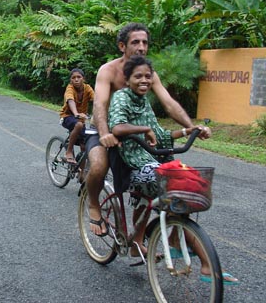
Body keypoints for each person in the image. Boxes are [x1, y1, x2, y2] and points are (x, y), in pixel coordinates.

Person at [108, 55, 238, 284]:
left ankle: (169, 241)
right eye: (138, 76)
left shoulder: (144, 102)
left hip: (152, 161)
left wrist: (191, 130)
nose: (144, 81)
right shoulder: (121, 97)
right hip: (132, 163)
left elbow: (161, 136)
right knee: (171, 191)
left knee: (184, 184)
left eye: (148, 76)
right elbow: (117, 127)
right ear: (127, 79)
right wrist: (143, 128)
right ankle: (206, 265)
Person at [85, 22, 211, 237]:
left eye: (145, 42)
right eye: (136, 42)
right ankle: (94, 204)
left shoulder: (147, 73)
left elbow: (168, 103)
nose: (141, 47)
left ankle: (140, 237)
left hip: (134, 134)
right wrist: (105, 133)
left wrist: (191, 128)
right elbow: (100, 105)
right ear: (122, 46)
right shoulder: (108, 70)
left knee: (155, 179)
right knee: (98, 165)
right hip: (103, 127)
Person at [59, 68, 94, 165]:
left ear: (84, 79)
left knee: (84, 146)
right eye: (73, 77)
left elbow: (96, 99)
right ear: (71, 80)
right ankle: (69, 152)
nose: (76, 79)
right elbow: (70, 100)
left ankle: (81, 175)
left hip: (80, 120)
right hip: (67, 117)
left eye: (79, 77)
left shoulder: (87, 88)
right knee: (78, 124)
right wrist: (76, 113)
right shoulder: (70, 88)